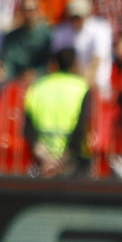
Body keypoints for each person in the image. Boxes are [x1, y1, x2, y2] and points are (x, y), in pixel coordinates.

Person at [23, 47, 92, 176]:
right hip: (71, 163)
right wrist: (63, 159)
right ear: (75, 65)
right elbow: (82, 127)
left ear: (54, 65)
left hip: (41, 161)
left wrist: (46, 159)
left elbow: (28, 127)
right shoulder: (82, 88)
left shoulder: (37, 87)